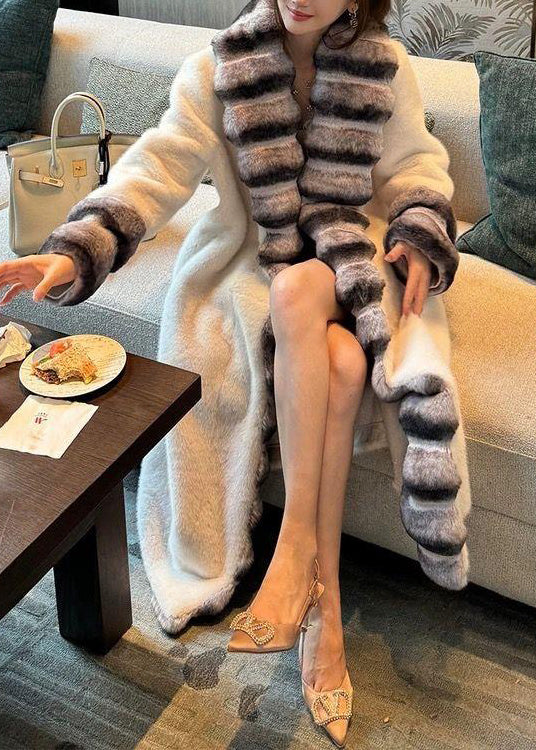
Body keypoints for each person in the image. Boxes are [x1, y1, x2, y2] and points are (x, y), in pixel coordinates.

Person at [0, 0, 472, 745]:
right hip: (256, 262)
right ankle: (323, 612)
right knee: (342, 359)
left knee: (302, 289)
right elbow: (157, 166)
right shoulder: (219, 66)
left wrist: (418, 229)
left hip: (358, 257)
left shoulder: (386, 66)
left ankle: (292, 557)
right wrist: (76, 248)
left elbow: (416, 166)